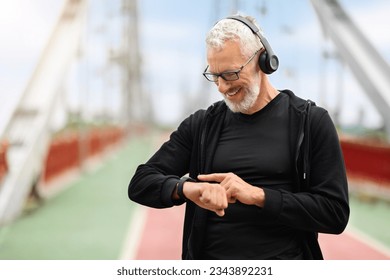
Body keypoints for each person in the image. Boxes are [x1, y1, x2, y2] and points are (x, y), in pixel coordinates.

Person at [128, 14, 349, 260]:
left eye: (230, 74)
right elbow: (141, 183)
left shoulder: (311, 121)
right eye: (214, 75)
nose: (222, 87)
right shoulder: (202, 125)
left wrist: (259, 196)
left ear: (264, 60)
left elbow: (334, 213)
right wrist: (187, 189)